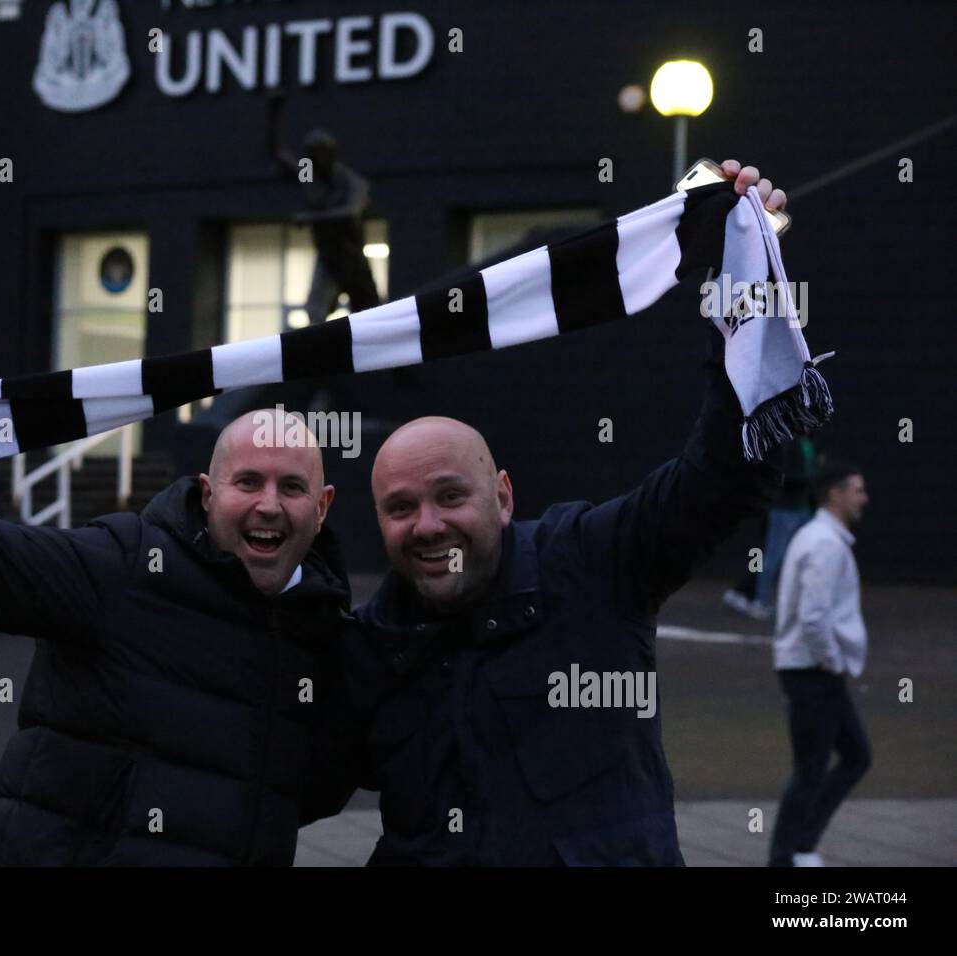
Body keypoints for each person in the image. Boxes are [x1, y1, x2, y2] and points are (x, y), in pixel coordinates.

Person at [338, 160, 797, 866]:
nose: (428, 525)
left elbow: (726, 474)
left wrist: (745, 285)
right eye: (400, 508)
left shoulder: (593, 562)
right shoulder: (371, 648)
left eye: (450, 496)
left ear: (505, 496)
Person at [0, 378, 354, 865]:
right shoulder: (121, 566)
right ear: (208, 493)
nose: (268, 504)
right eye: (248, 481)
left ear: (323, 506)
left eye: (292, 487)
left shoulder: (326, 632)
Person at [768, 460, 871, 867]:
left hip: (815, 670)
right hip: (813, 671)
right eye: (858, 489)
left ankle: (801, 847)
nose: (864, 498)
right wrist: (831, 661)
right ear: (835, 493)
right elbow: (813, 617)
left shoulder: (818, 537)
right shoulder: (824, 545)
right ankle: (786, 856)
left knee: (855, 755)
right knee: (811, 768)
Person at [267, 96, 381, 325]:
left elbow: (351, 213)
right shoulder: (310, 176)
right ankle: (322, 357)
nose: (311, 160)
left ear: (329, 154)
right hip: (327, 257)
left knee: (368, 315)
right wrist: (273, 114)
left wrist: (311, 218)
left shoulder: (351, 182)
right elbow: (279, 153)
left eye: (315, 154)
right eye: (309, 154)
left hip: (351, 258)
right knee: (315, 311)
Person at [723, 434, 817, 619]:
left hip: (787, 510)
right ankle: (745, 592)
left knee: (765, 554)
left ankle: (744, 591)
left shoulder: (800, 444)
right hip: (776, 511)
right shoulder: (784, 444)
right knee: (762, 554)